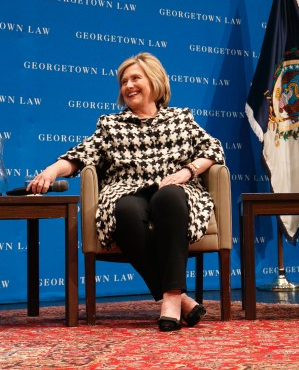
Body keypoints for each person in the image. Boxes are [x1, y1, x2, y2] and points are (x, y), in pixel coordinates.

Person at [28, 52, 225, 332]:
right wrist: (50, 171)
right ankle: (178, 297)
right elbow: (81, 155)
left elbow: (213, 149)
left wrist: (188, 171)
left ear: (154, 82)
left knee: (169, 197)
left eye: (135, 78)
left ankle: (169, 300)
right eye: (124, 81)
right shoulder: (111, 125)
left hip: (174, 187)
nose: (128, 86)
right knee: (125, 210)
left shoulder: (181, 119)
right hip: (126, 189)